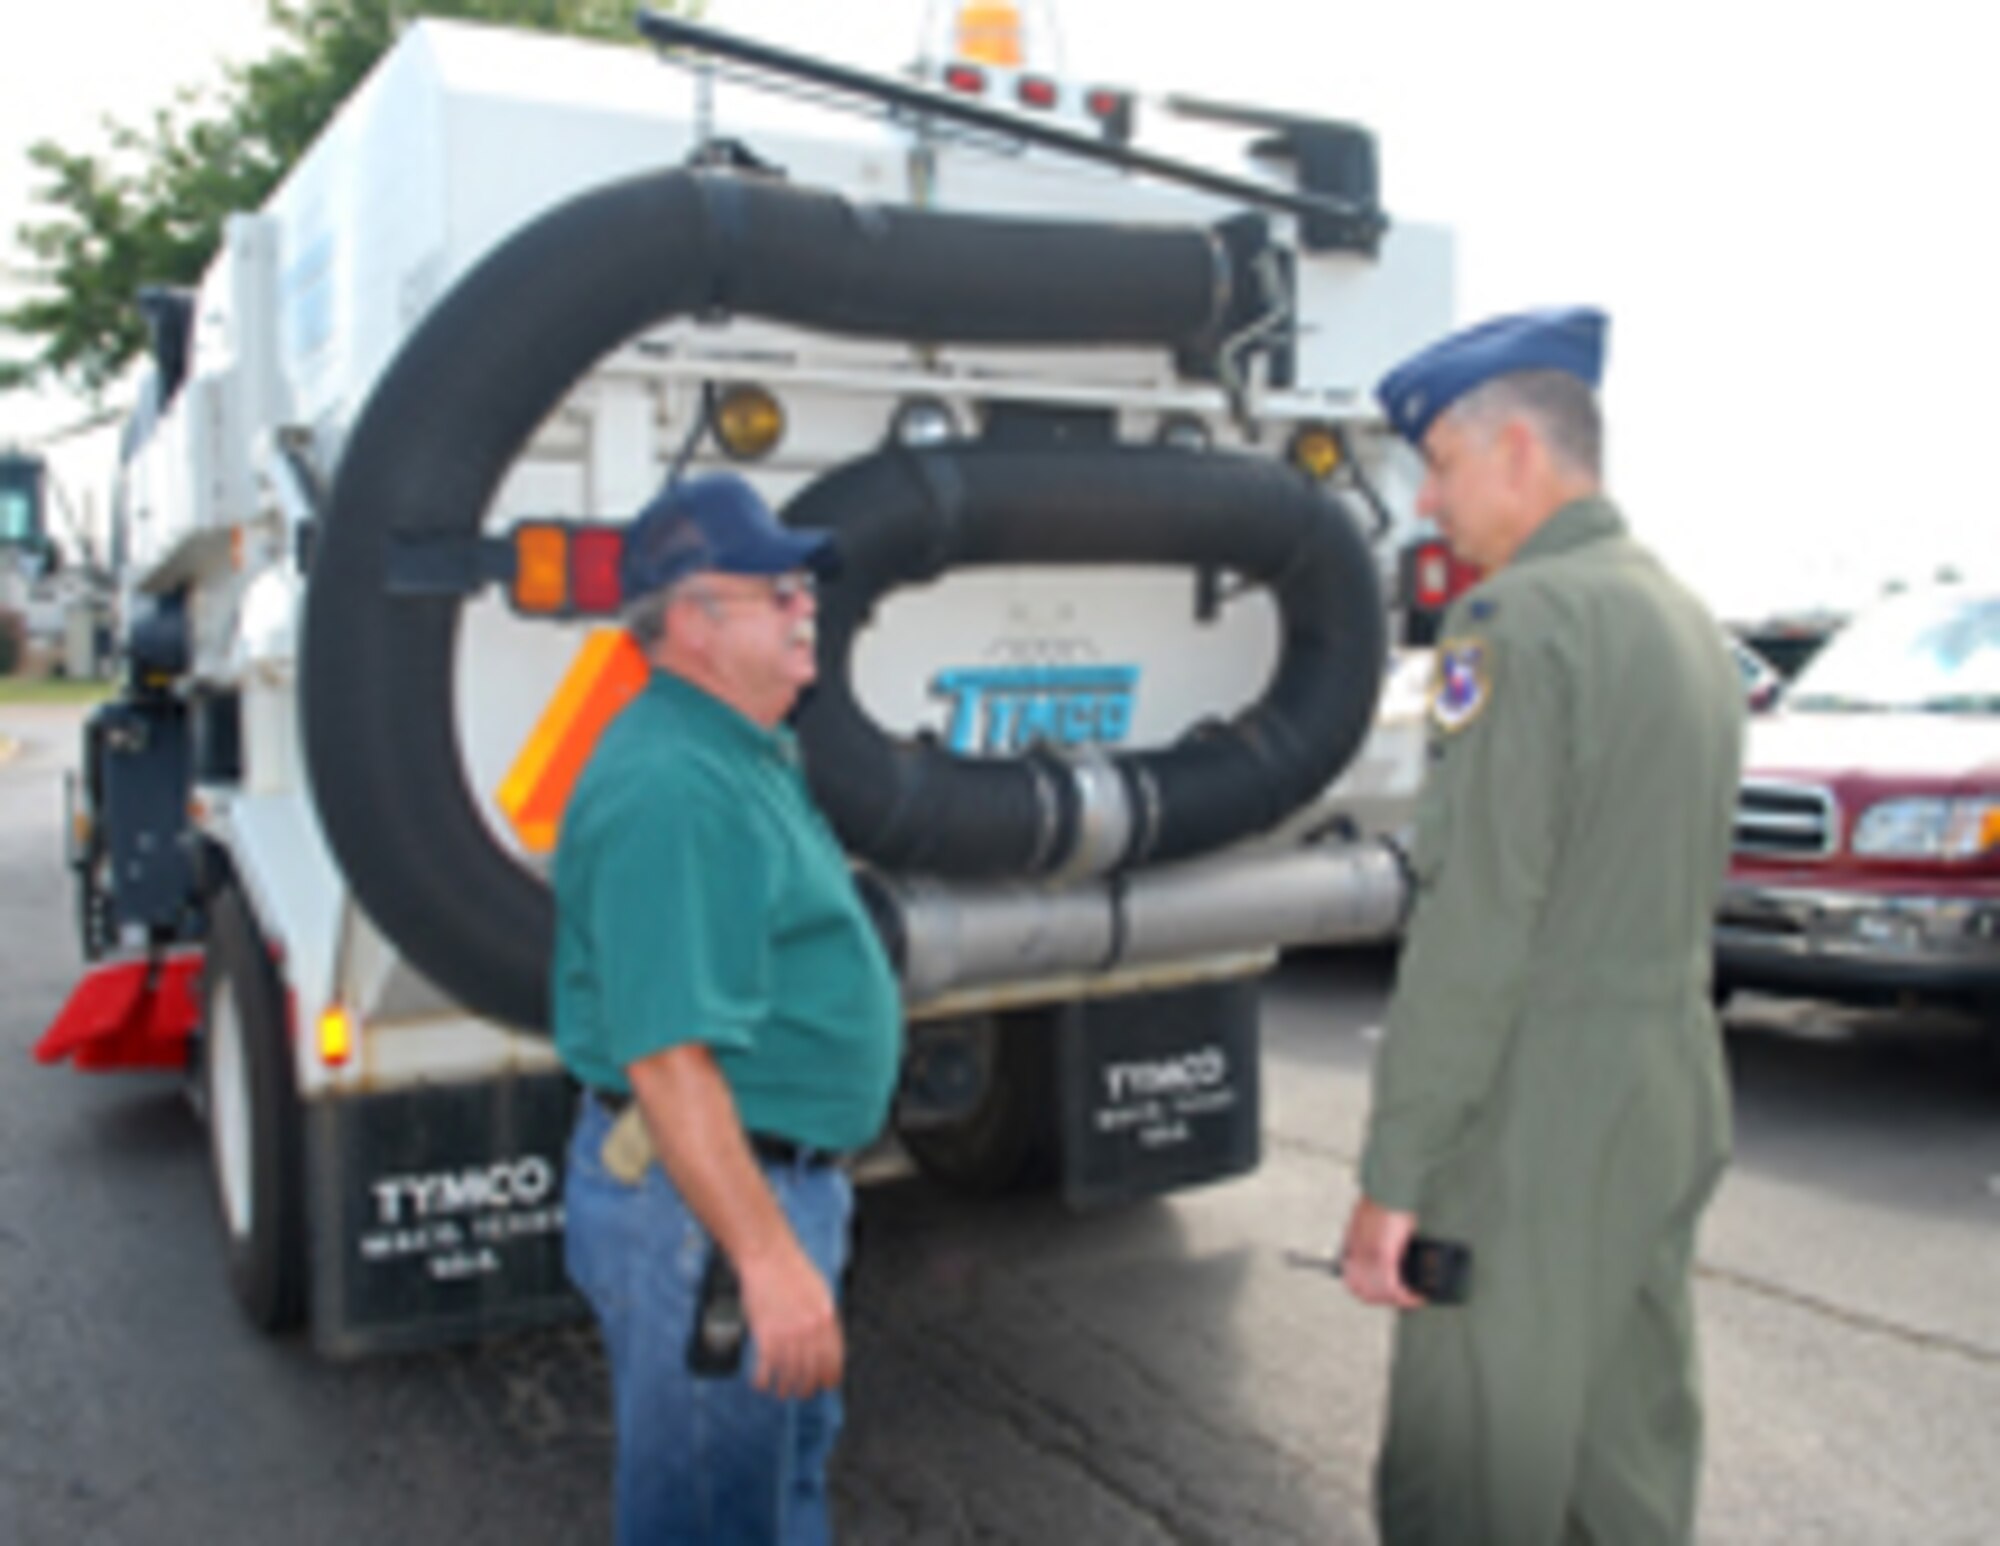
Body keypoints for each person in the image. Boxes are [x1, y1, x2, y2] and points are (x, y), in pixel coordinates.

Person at [1338, 308, 1744, 1545]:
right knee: (1620, 1471)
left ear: (1515, 448)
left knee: (1466, 1481)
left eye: (1440, 467)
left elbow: (1476, 928)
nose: (1425, 508)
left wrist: (1394, 1176)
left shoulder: (1517, 625)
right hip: (1664, 1094)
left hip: (1531, 1125)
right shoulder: (1681, 619)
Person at [552, 471, 902, 1545]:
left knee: (774, 1488)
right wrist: (761, 1257)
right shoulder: (673, 787)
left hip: (751, 1185)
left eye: (805, 587)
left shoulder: (739, 745)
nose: (809, 607)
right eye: (779, 590)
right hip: (701, 1207)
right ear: (693, 622)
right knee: (711, 1518)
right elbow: (667, 1060)